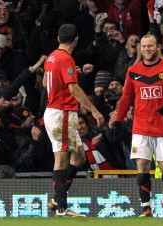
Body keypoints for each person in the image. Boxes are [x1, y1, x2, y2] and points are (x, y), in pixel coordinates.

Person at [114, 34, 163, 217]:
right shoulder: (132, 71)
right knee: (143, 165)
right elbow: (126, 98)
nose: (146, 49)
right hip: (141, 127)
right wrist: (117, 120)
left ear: (158, 47)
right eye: (144, 46)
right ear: (140, 48)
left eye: (150, 46)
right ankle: (146, 208)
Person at [43, 23, 104, 217]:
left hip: (57, 111)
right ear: (76, 39)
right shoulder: (66, 58)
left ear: (59, 38)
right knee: (61, 158)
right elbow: (73, 89)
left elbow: (45, 82)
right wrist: (94, 110)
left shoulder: (52, 56)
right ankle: (62, 208)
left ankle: (56, 198)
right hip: (61, 112)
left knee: (79, 157)